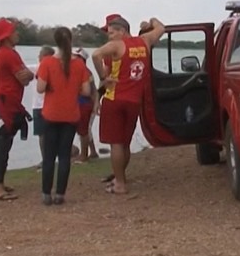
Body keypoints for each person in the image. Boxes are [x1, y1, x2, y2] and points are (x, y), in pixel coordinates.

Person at [91, 13, 165, 195]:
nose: (109, 36)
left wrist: (103, 77)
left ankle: (120, 184)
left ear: (122, 31)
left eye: (111, 32)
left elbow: (95, 54)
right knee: (125, 142)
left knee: (116, 143)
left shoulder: (116, 45)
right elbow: (161, 28)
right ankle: (120, 178)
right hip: (134, 100)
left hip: (115, 99)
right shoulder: (145, 41)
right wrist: (151, 21)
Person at [35, 28, 91, 205]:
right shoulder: (79, 65)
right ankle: (60, 194)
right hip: (70, 114)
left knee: (49, 156)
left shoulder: (47, 63)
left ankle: (46, 193)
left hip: (51, 114)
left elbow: (40, 88)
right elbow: (86, 91)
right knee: (64, 155)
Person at [0, 18, 33, 201]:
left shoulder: (6, 53)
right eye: (14, 31)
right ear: (7, 36)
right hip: (5, 103)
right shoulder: (8, 54)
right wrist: (29, 75)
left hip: (9, 102)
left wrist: (27, 74)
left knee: (5, 142)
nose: (17, 34)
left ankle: (0, 183)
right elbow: (24, 78)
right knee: (3, 143)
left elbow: (24, 75)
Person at [72, 47, 100, 163]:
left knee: (84, 131)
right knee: (84, 130)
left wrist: (96, 105)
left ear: (81, 59)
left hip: (85, 104)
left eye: (75, 56)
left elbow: (93, 91)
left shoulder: (86, 72)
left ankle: (85, 155)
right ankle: (91, 152)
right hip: (79, 104)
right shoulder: (75, 70)